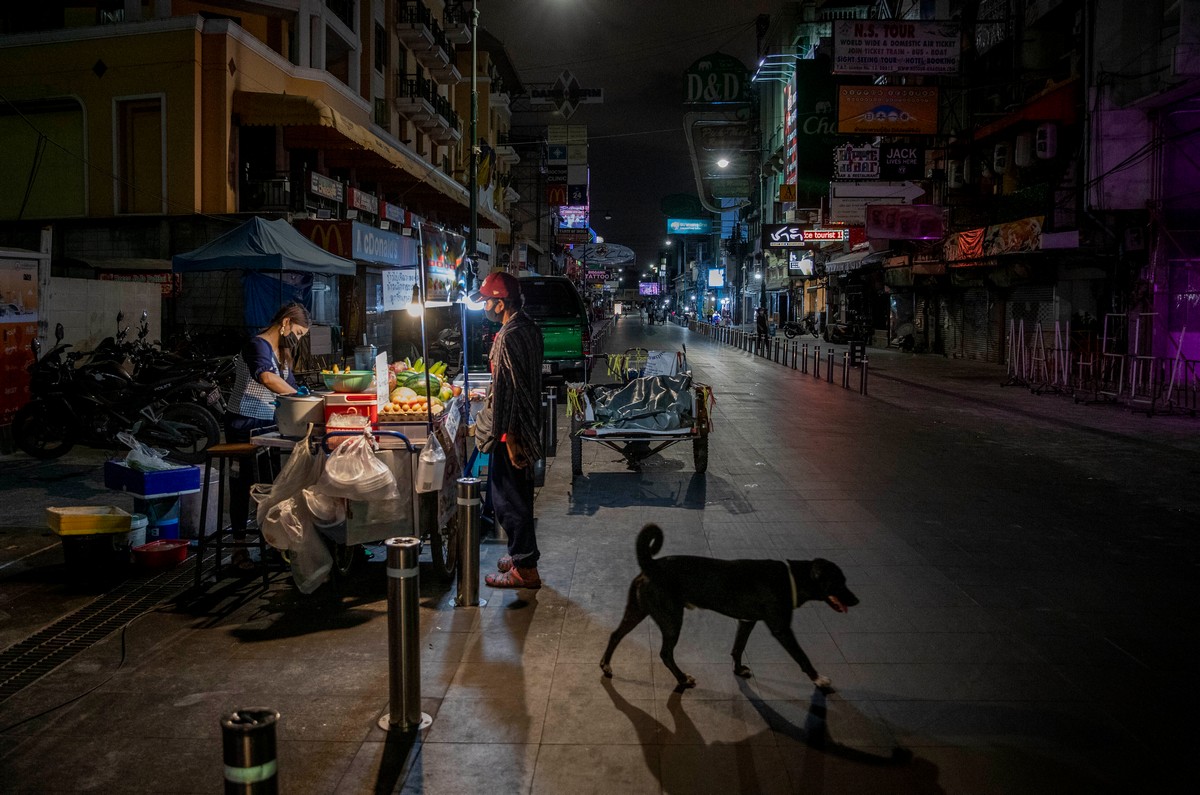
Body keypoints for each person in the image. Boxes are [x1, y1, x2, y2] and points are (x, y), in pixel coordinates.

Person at [471, 272, 545, 589]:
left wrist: (504, 435)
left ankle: (525, 568)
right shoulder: (528, 328)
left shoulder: (508, 336)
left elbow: (509, 390)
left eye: (488, 300)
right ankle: (521, 555)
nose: (485, 306)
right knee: (519, 496)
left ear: (500, 304)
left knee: (507, 500)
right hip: (525, 424)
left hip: (510, 431)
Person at [224, 303, 310, 566]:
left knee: (275, 484)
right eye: (297, 332)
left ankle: (273, 542)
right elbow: (268, 379)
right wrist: (296, 397)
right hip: (244, 424)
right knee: (244, 484)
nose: (297, 339)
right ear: (285, 323)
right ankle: (239, 547)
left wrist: (305, 395)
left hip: (270, 425)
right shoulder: (257, 345)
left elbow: (288, 382)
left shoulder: (283, 352)